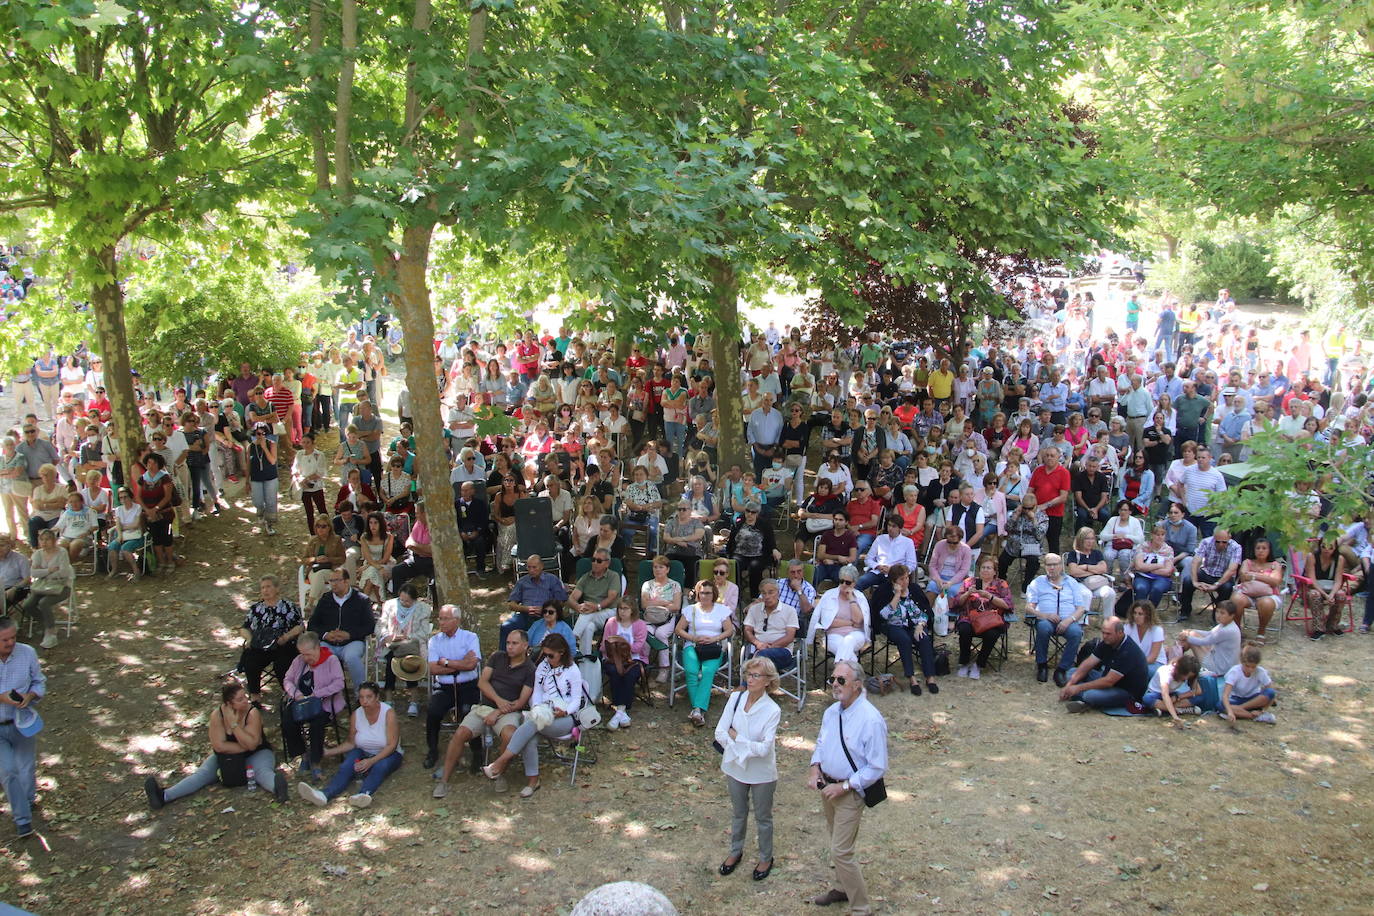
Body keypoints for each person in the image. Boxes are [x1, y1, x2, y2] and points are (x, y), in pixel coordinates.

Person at [807, 659, 887, 914]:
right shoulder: (831, 712)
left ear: (857, 685)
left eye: (841, 680)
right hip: (827, 788)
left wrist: (844, 787)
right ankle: (842, 888)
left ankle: (861, 908)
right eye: (833, 679)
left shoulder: (870, 720)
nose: (834, 684)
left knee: (841, 850)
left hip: (850, 794)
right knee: (835, 841)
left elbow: (877, 767)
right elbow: (821, 742)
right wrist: (814, 768)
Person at [145, 681, 288, 809]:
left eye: (245, 697)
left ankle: (278, 788)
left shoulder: (252, 713)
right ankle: (163, 796)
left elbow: (253, 744)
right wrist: (244, 746)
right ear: (229, 704)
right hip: (227, 757)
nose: (245, 701)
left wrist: (234, 725)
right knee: (202, 774)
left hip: (258, 753)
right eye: (240, 700)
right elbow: (219, 746)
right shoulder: (217, 715)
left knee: (262, 772)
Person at [433, 628, 536, 798]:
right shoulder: (497, 657)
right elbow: (482, 682)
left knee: (510, 735)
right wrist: (497, 701)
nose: (509, 647)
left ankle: (498, 772)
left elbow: (521, 701)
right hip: (486, 706)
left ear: (525, 646)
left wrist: (498, 711)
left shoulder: (530, 669)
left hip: (510, 711)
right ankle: (444, 781)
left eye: (514, 643)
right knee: (460, 733)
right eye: (508, 642)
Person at [481, 632, 585, 798]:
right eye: (545, 654)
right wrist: (537, 708)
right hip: (543, 713)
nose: (547, 658)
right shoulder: (543, 667)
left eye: (551, 655)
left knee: (531, 724)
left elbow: (576, 700)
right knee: (530, 733)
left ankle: (500, 762)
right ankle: (532, 781)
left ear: (561, 653)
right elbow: (536, 692)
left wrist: (564, 711)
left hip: (565, 718)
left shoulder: (572, 670)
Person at [716, 656, 781, 882]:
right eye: (748, 674)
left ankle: (766, 857)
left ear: (767, 681)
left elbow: (764, 749)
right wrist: (742, 744)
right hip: (735, 767)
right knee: (738, 813)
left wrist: (737, 739)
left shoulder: (772, 710)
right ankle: (735, 851)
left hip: (761, 773)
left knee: (763, 816)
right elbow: (720, 732)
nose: (750, 679)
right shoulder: (735, 698)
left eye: (756, 675)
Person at [297, 681, 403, 808]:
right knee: (346, 766)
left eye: (369, 697)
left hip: (388, 754)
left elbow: (392, 745)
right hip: (363, 751)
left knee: (380, 767)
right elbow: (351, 743)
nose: (364, 701)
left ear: (377, 698)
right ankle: (324, 794)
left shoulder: (388, 713)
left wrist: (371, 761)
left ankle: (363, 794)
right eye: (361, 697)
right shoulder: (356, 715)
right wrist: (328, 752)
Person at [0, 616, 44, 837]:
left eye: (13, 638)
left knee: (26, 768)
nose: (10, 643)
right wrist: (1, 698)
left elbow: (39, 680)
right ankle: (23, 820)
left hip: (22, 722)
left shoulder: (27, 653)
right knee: (8, 771)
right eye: (4, 640)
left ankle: (27, 800)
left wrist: (32, 695)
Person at [422, 604, 481, 770]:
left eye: (446, 619)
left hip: (468, 686)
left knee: (469, 712)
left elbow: (472, 665)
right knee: (433, 712)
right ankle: (432, 750)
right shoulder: (434, 641)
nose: (441, 622)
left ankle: (477, 752)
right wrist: (461, 664)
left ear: (457, 620)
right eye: (440, 618)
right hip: (444, 686)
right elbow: (433, 668)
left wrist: (446, 662)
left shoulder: (470, 637)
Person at [281, 632, 346, 778]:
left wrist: (317, 694)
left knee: (317, 723)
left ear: (317, 648)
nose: (306, 658)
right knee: (287, 721)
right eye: (302, 654)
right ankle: (303, 755)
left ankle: (316, 760)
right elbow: (287, 680)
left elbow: (339, 683)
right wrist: (296, 694)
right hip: (301, 703)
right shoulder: (299, 661)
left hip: (324, 704)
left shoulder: (331, 660)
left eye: (308, 654)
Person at [1059, 615, 1150, 712]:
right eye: (1103, 633)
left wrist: (1078, 688)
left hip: (1126, 690)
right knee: (1072, 673)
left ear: (1120, 633)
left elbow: (1108, 681)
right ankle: (1083, 699)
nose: (1104, 636)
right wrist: (1069, 685)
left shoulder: (1128, 652)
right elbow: (1088, 664)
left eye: (1108, 634)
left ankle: (1084, 699)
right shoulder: (1107, 642)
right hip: (1108, 679)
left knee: (1090, 695)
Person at [676, 579, 736, 726]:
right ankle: (698, 709)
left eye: (708, 593)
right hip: (693, 645)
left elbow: (729, 630)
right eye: (702, 593)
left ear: (713, 594)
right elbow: (678, 629)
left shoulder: (721, 609)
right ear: (697, 594)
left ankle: (697, 709)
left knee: (708, 672)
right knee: (691, 671)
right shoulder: (690, 610)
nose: (705, 596)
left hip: (713, 646)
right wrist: (693, 638)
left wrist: (715, 638)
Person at [236, 575, 304, 703]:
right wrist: (250, 638)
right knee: (251, 661)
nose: (265, 590)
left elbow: (300, 626)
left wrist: (287, 636)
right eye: (262, 588)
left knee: (282, 663)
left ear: (277, 589)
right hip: (262, 645)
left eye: (268, 587)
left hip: (283, 644)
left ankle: (288, 693)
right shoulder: (256, 608)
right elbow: (244, 628)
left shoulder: (288, 606)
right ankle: (255, 696)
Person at [1026, 554, 1091, 685]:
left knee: (1076, 633)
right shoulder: (1037, 582)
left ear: (1061, 566)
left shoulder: (1071, 582)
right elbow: (1028, 608)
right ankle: (1042, 665)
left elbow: (1080, 608)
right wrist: (1045, 615)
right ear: (1045, 567)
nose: (1052, 568)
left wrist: (1069, 620)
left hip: (1068, 620)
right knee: (1043, 628)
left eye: (1055, 564)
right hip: (1046, 620)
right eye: (1049, 565)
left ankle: (1062, 669)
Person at [878, 564, 939, 696]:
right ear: (894, 581)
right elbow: (884, 615)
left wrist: (921, 625)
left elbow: (925, 611)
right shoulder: (885, 591)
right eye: (902, 579)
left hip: (914, 625)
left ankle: (930, 677)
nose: (906, 581)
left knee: (923, 638)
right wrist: (897, 595)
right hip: (894, 626)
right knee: (904, 639)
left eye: (907, 578)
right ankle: (911, 678)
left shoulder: (914, 590)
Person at [375, 582, 433, 716]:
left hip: (412, 644)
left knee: (408, 660)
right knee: (391, 659)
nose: (403, 603)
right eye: (401, 600)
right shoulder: (390, 605)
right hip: (392, 644)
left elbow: (424, 632)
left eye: (407, 601)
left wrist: (407, 637)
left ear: (414, 600)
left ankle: (414, 700)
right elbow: (380, 626)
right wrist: (387, 636)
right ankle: (389, 697)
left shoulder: (423, 608)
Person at [954, 555, 1013, 680]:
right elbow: (957, 602)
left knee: (992, 634)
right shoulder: (969, 582)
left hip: (991, 619)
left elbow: (1007, 605)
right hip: (970, 617)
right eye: (983, 567)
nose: (985, 570)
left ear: (995, 572)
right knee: (964, 629)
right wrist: (968, 593)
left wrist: (989, 596)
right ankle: (964, 663)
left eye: (989, 568)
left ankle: (979, 664)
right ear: (979, 570)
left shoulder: (1001, 584)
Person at [807, 566, 870, 666]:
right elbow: (828, 622)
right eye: (841, 581)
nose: (844, 585)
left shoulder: (860, 597)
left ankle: (838, 676)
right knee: (846, 649)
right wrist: (851, 623)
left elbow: (858, 621)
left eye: (848, 582)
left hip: (856, 634)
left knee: (848, 641)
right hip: (833, 635)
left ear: (854, 583)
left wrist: (851, 599)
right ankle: (848, 678)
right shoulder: (829, 595)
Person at [601, 597, 648, 729]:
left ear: (632, 610)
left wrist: (621, 645)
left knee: (630, 674)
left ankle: (619, 711)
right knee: (614, 672)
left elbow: (637, 647)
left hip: (635, 659)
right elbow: (603, 646)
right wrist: (613, 648)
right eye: (620, 608)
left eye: (626, 608)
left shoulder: (640, 625)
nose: (622, 611)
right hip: (613, 658)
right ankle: (623, 712)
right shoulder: (611, 623)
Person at [20, 528, 70, 649]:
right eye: (41, 539)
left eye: (47, 539)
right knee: (27, 605)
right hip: (42, 586)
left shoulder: (62, 552)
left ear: (54, 540)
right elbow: (33, 573)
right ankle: (47, 623)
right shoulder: (37, 554)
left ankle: (50, 632)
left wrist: (42, 572)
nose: (44, 542)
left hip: (61, 586)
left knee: (44, 603)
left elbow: (63, 573)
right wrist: (49, 570)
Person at [1178, 528, 1242, 623]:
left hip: (1224, 576)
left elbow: (1232, 569)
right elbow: (1196, 561)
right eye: (1218, 542)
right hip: (1207, 572)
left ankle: (1217, 614)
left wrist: (1216, 584)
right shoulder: (1206, 542)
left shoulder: (1236, 547)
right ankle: (1185, 611)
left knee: (1227, 588)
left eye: (1224, 542)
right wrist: (1195, 581)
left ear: (1229, 538)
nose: (1221, 544)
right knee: (1188, 581)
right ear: (1214, 537)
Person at [568, 548, 621, 658]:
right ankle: (585, 658)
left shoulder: (613, 576)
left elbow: (611, 597)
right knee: (588, 627)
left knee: (587, 613)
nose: (595, 563)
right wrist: (578, 607)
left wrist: (596, 607)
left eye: (599, 561)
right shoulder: (586, 577)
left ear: (607, 563)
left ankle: (571, 640)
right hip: (588, 614)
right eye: (593, 560)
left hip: (610, 613)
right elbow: (572, 598)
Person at [501, 555, 569, 641]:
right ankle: (504, 654)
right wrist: (525, 609)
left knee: (540, 633)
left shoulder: (552, 580)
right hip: (525, 615)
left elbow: (561, 601)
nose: (531, 570)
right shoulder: (522, 582)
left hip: (546, 616)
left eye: (534, 567)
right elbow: (511, 604)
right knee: (506, 627)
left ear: (542, 566)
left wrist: (545, 609)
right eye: (529, 567)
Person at [640, 555, 684, 682]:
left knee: (660, 634)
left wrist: (656, 602)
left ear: (667, 569)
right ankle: (643, 666)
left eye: (661, 567)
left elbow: (676, 606)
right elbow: (644, 604)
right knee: (646, 634)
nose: (657, 570)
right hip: (649, 617)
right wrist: (665, 602)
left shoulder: (675, 585)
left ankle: (664, 668)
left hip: (668, 618)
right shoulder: (647, 585)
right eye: (655, 567)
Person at [1232, 538, 1283, 643]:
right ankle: (1236, 631)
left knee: (1266, 603)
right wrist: (1265, 577)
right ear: (1254, 550)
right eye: (1258, 548)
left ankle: (1261, 631)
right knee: (1236, 599)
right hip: (1247, 594)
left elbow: (1275, 582)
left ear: (1269, 550)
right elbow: (1243, 576)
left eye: (1264, 548)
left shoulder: (1275, 565)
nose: (1261, 550)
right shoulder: (1247, 562)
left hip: (1268, 595)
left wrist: (1254, 575)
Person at [742, 580, 799, 674]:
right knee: (762, 660)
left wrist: (771, 647)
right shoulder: (754, 609)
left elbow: (790, 637)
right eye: (764, 593)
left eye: (771, 592)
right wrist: (758, 643)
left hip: (782, 652)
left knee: (761, 656)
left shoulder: (789, 610)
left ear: (778, 593)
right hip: (758, 648)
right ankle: (762, 686)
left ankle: (745, 685)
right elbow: (747, 630)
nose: (767, 596)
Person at [1178, 599, 1244, 676]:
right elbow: (1209, 633)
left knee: (1191, 637)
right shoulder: (1225, 624)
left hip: (1219, 669)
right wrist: (1190, 630)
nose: (1218, 615)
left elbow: (1204, 641)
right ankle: (1178, 655)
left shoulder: (1227, 630)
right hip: (1218, 659)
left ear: (1231, 616)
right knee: (1192, 633)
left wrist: (1187, 637)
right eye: (1217, 611)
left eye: (1222, 613)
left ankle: (1177, 657)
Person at [1220, 643, 1277, 724]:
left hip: (1253, 698)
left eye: (1253, 667)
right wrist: (1230, 711)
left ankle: (1240, 710)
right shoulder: (1235, 671)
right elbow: (1225, 695)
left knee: (1270, 692)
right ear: (1242, 663)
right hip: (1236, 698)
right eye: (1247, 666)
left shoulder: (1260, 672)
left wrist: (1263, 710)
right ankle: (1254, 716)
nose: (1250, 669)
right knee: (1220, 705)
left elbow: (1271, 692)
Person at [1305, 538, 1350, 639]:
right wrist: (1325, 595)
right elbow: (1312, 580)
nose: (1326, 549)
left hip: (1331, 587)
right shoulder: (1312, 557)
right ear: (1319, 546)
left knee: (1341, 595)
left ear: (1335, 548)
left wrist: (1332, 594)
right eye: (1323, 546)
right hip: (1314, 587)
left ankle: (1333, 625)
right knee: (1314, 594)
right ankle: (1319, 628)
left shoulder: (1339, 559)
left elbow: (1338, 580)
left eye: (1330, 547)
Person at [1142, 654, 1204, 723]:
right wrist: (1175, 717)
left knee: (1199, 698)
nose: (1186, 678)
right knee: (1147, 699)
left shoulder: (1190, 674)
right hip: (1156, 693)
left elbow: (1197, 691)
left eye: (1189, 677)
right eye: (1185, 675)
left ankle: (1162, 709)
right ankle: (1179, 710)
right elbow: (1165, 695)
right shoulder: (1166, 672)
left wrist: (1177, 697)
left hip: (1172, 694)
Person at [299, 517, 347, 605]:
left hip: (330, 570)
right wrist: (315, 559)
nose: (320, 529)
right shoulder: (312, 540)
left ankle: (310, 603)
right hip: (314, 570)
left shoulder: (336, 540)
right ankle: (318, 607)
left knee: (320, 575)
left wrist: (329, 559)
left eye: (323, 526)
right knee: (318, 578)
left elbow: (342, 558)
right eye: (318, 526)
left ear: (329, 527)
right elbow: (304, 559)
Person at [1100, 499, 1145, 581]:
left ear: (1130, 511)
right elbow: (1102, 536)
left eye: (1125, 510)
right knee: (1107, 555)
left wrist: (1126, 536)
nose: (1123, 512)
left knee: (1124, 555)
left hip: (1128, 546)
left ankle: (1125, 579)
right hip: (1113, 544)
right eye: (1121, 510)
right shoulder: (1113, 520)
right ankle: (1107, 578)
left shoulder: (1135, 522)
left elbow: (1141, 539)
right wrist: (1114, 536)